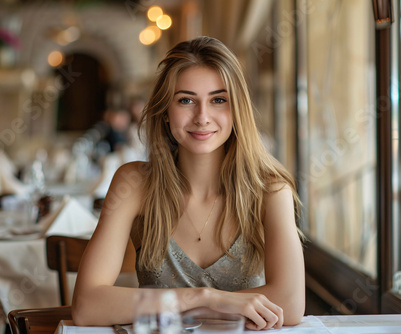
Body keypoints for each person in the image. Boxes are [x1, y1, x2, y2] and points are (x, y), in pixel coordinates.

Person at [72, 36, 305, 330]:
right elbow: (86, 305)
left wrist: (177, 306)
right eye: (186, 100)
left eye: (218, 100)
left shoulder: (270, 189)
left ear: (237, 111)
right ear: (165, 112)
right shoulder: (134, 183)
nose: (202, 117)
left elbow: (290, 304)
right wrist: (206, 298)